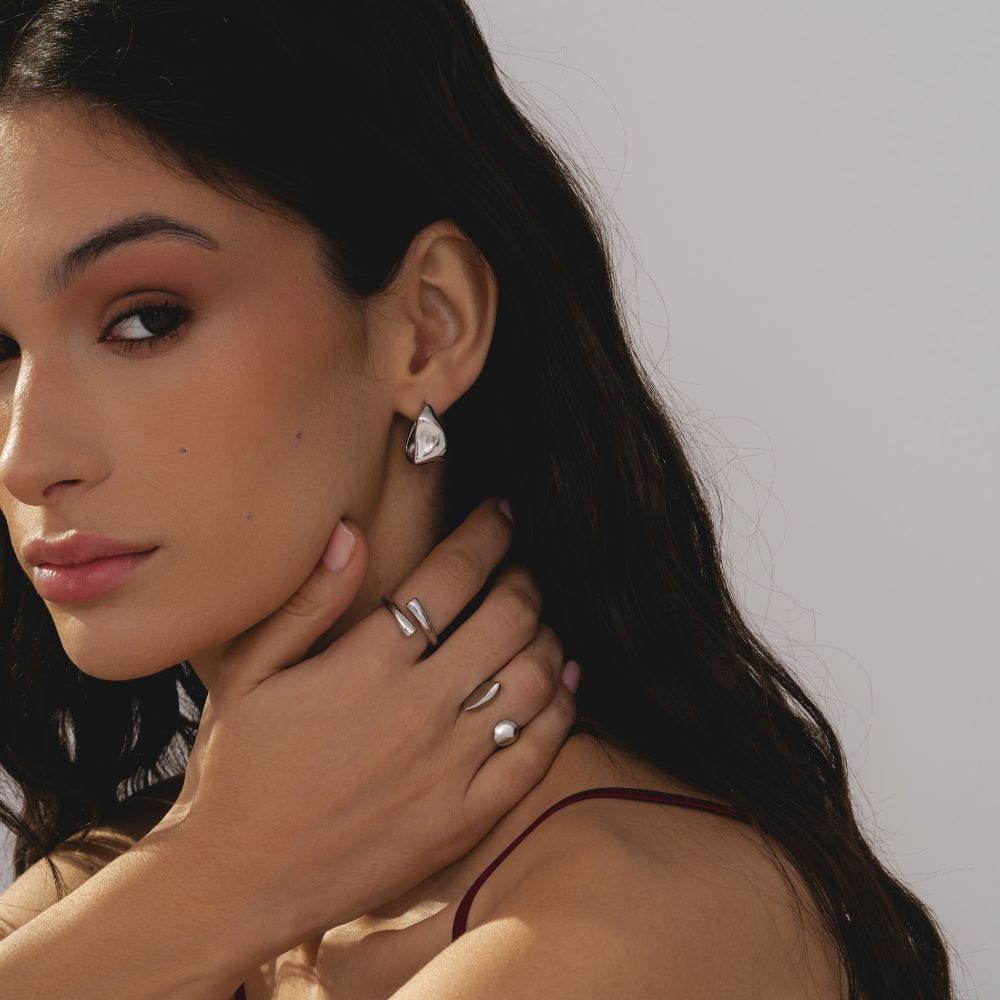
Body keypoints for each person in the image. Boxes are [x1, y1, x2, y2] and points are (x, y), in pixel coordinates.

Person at [0, 2, 955, 998]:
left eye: (146, 319)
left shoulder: (634, 924)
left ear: (429, 326)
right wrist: (218, 872)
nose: (27, 458)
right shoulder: (127, 884)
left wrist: (213, 884)